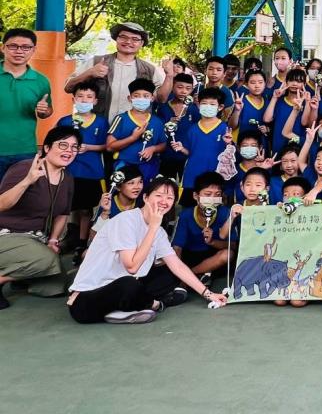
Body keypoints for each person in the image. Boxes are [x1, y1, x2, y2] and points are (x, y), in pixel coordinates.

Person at [67, 176, 227, 324]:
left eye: (170, 198)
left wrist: (209, 294)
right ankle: (155, 304)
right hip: (85, 302)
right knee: (129, 284)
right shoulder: (126, 221)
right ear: (145, 197)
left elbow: (176, 265)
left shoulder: (159, 231)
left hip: (122, 289)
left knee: (170, 273)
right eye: (159, 196)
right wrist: (153, 228)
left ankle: (124, 311)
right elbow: (131, 267)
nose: (164, 201)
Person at [0, 126, 79, 309]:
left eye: (74, 147)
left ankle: (22, 275)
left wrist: (53, 240)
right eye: (63, 145)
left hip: (36, 238)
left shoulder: (67, 178)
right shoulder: (25, 168)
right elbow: (2, 204)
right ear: (47, 148)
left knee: (55, 285)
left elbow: (62, 214)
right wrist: (28, 180)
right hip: (7, 234)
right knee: (46, 260)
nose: (68, 151)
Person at [65, 22, 172, 121]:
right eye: (123, 37)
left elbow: (161, 99)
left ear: (141, 43)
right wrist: (90, 73)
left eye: (135, 39)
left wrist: (169, 75)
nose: (128, 42)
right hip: (99, 127)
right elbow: (68, 87)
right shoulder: (96, 62)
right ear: (116, 39)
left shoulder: (149, 70)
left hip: (134, 129)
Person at [57, 82, 108, 262]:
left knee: (86, 210)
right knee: (65, 207)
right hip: (67, 172)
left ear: (95, 101)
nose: (84, 100)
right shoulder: (65, 121)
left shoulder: (101, 122)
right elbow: (56, 144)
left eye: (88, 97)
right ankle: (58, 239)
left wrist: (89, 147)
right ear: (73, 99)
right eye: (80, 97)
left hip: (91, 173)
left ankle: (82, 242)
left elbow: (106, 145)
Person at [0, 28, 53, 180]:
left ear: (33, 50)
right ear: (3, 47)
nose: (19, 51)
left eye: (26, 47)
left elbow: (48, 111)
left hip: (24, 150)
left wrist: (44, 110)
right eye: (13, 46)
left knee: (21, 197)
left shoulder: (41, 80)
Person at [170, 87, 230, 204]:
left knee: (213, 211)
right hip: (193, 176)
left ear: (220, 107)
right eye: (204, 103)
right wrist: (182, 149)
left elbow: (229, 156)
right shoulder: (192, 129)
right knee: (190, 208)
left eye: (212, 104)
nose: (208, 106)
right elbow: (190, 152)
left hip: (215, 178)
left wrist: (229, 144)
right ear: (198, 104)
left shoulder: (225, 129)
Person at [171, 172, 231, 281]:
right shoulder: (185, 215)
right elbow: (177, 248)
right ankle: (197, 275)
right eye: (207, 194)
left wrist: (212, 242)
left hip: (214, 258)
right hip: (190, 257)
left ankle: (191, 275)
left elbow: (233, 246)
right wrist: (178, 269)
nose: (212, 199)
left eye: (217, 195)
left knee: (228, 254)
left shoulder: (226, 213)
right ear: (195, 196)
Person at [105, 78, 167, 184]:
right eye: (136, 96)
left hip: (149, 167)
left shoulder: (157, 121)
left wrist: (153, 148)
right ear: (130, 98)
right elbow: (109, 147)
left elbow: (163, 145)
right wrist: (132, 138)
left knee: (146, 196)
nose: (141, 99)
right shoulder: (120, 119)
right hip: (125, 166)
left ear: (152, 98)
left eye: (146, 96)